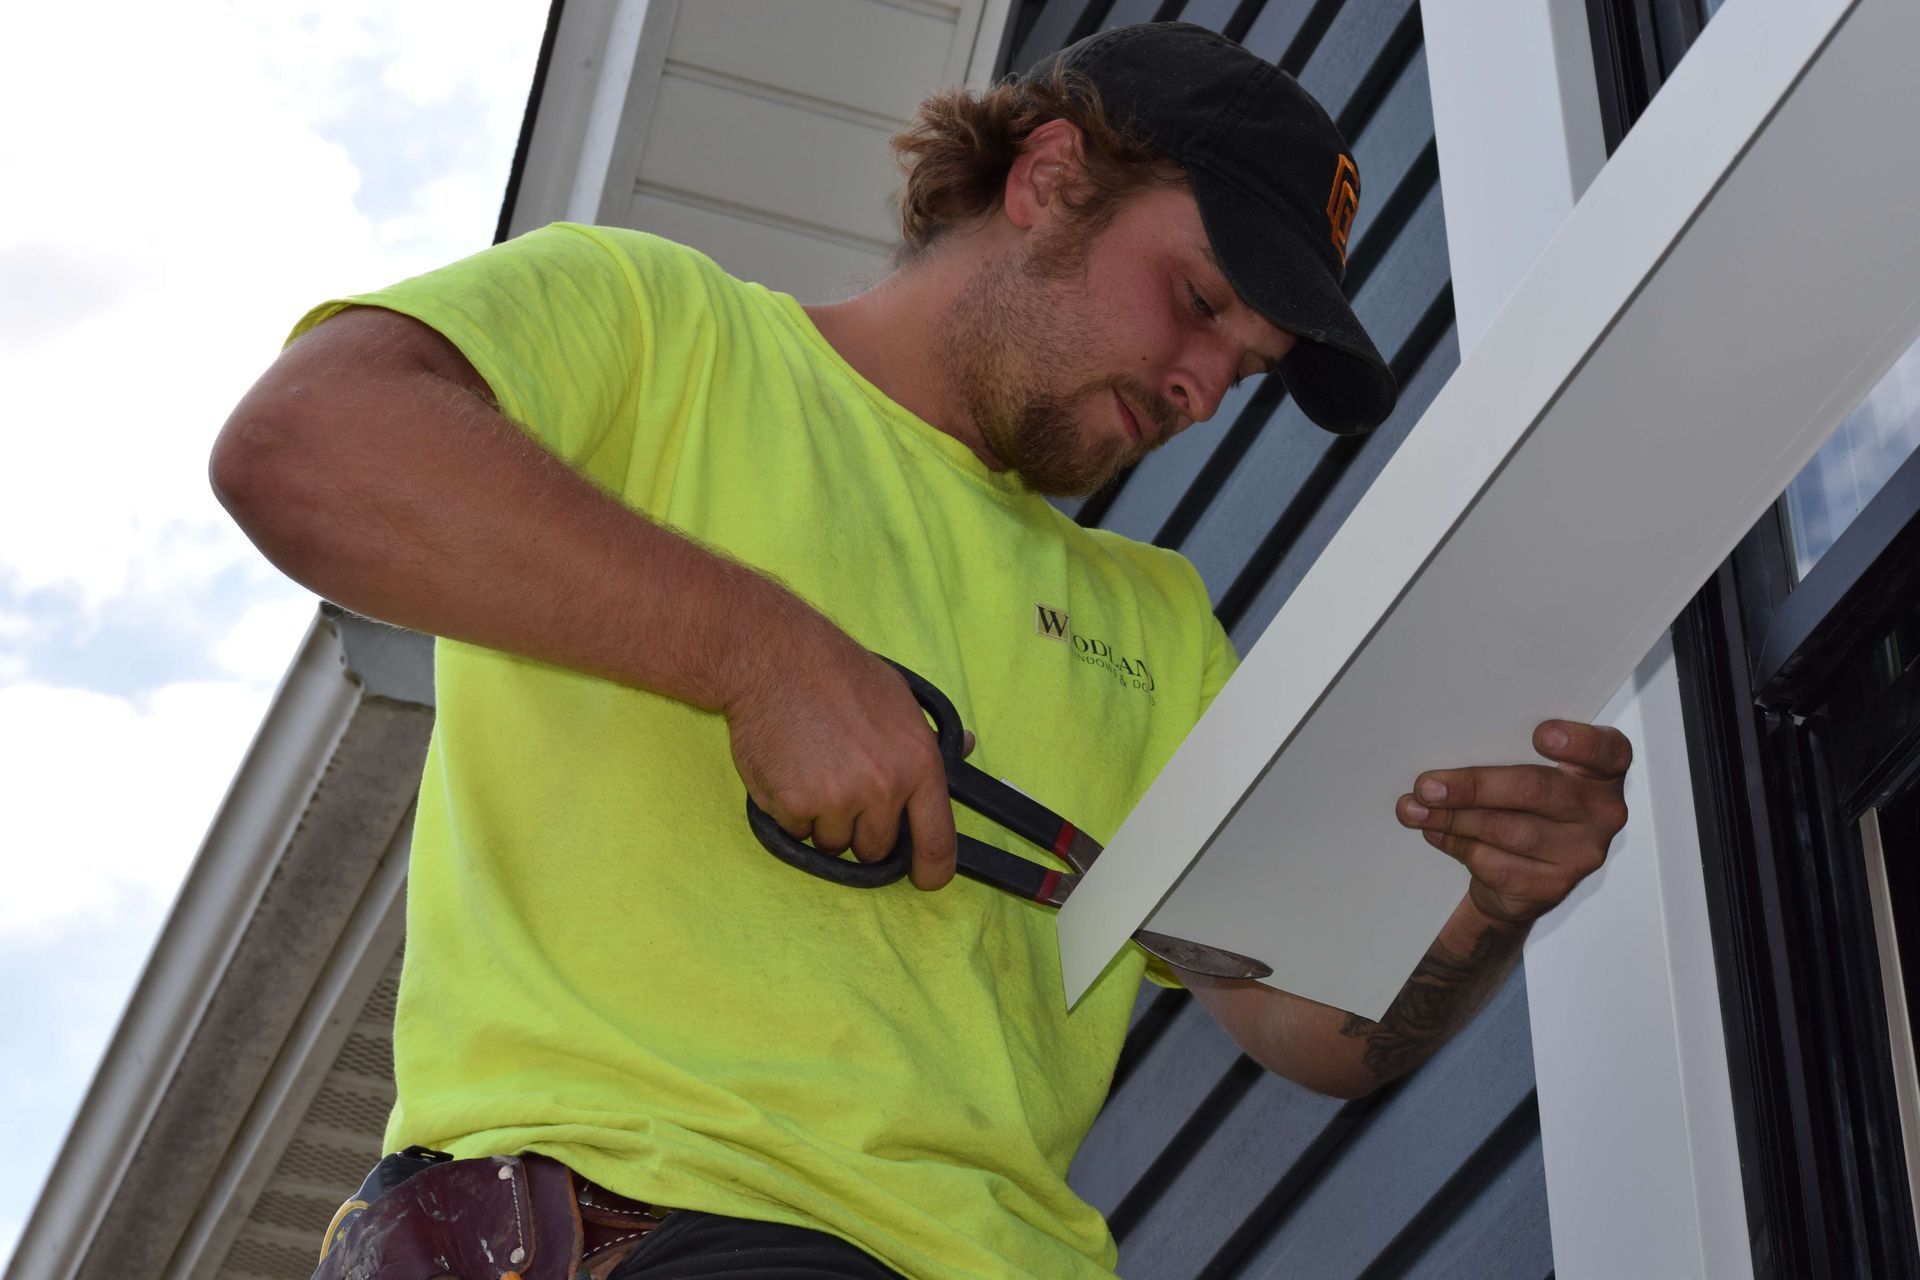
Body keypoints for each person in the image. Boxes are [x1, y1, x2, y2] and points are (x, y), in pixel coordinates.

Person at [211, 21, 1630, 1280]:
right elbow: (307, 445)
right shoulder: (663, 329)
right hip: (637, 1218)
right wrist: (759, 653)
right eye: (1199, 302)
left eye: (1245, 369)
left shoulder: (1158, 624)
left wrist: (1487, 908)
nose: (1204, 386)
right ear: (1049, 178)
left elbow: (1308, 1024)